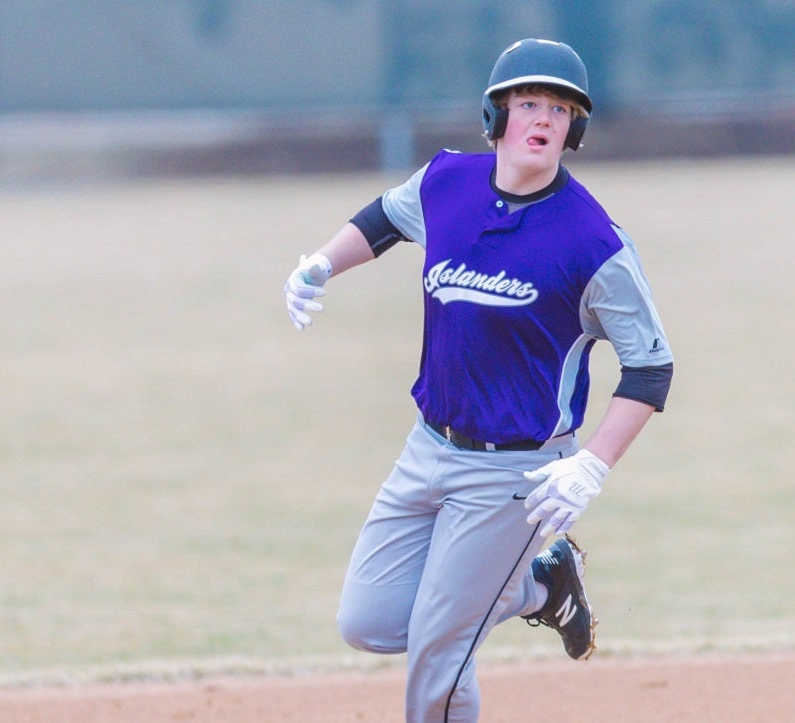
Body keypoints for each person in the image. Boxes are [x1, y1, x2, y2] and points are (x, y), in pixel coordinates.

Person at [283, 38, 673, 722]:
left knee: (440, 650)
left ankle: (506, 590)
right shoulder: (446, 183)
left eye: (560, 108)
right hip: (426, 448)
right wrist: (319, 264)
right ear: (496, 117)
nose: (543, 118)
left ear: (574, 129)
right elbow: (381, 221)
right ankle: (541, 586)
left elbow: (651, 366)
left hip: (516, 474)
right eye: (528, 102)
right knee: (369, 621)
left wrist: (592, 465)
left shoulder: (593, 241)